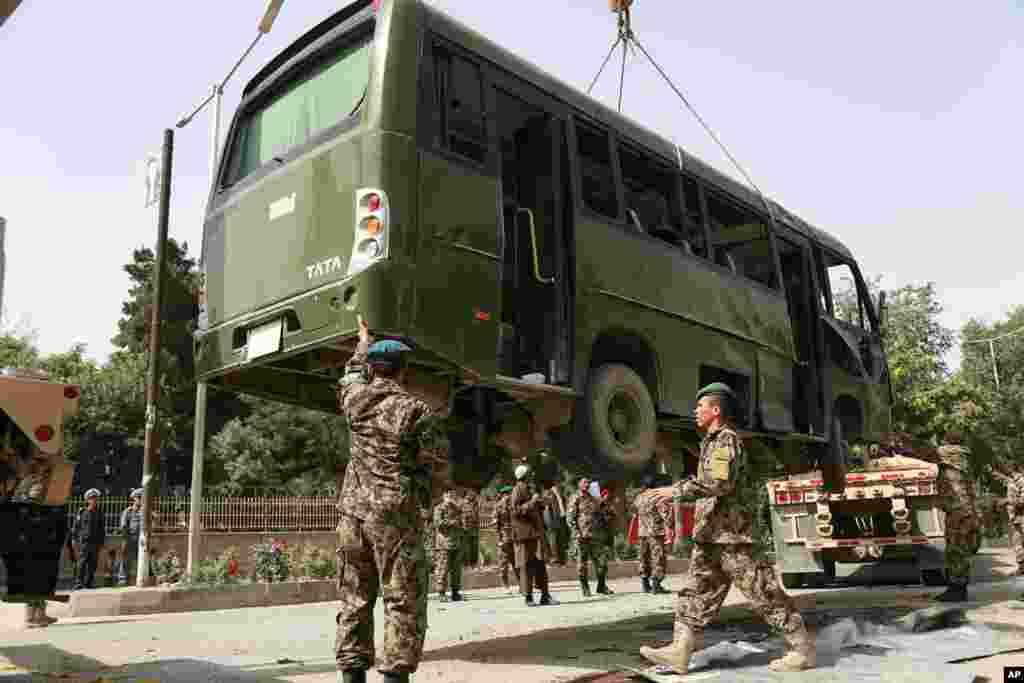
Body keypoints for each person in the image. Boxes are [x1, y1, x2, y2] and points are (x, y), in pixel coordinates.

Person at [640, 383, 814, 674]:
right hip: (711, 535)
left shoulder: (725, 440)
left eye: (700, 406)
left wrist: (675, 491)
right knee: (695, 593)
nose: (695, 411)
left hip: (733, 536)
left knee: (762, 591)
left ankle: (802, 649)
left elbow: (719, 484)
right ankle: (679, 652)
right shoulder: (710, 441)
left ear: (716, 410)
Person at [334, 316, 450, 683]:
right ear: (403, 371)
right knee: (402, 600)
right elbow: (436, 467)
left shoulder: (353, 398)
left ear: (372, 368)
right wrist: (424, 498)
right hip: (395, 516)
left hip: (352, 516)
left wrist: (363, 341)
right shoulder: (416, 411)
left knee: (354, 600)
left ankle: (351, 677)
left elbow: (352, 371)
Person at [928, 431, 982, 602]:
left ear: (949, 441)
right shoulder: (965, 454)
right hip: (965, 509)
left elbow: (924, 451)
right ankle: (957, 588)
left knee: (956, 551)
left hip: (958, 510)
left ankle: (956, 590)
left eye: (945, 438)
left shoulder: (951, 452)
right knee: (959, 551)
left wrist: (899, 439)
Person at [510, 464, 557, 606]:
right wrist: (533, 502)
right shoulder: (517, 490)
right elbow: (515, 511)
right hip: (525, 535)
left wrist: (543, 502)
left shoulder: (529, 488)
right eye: (529, 474)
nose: (532, 475)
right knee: (526, 566)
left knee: (540, 565)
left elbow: (535, 506)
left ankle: (545, 596)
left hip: (536, 534)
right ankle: (528, 597)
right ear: (524, 476)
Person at [567, 477, 616, 597]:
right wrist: (576, 533)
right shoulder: (575, 498)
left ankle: (601, 586)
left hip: (596, 536)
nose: (587, 484)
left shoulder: (594, 498)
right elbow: (570, 518)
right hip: (581, 536)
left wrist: (606, 504)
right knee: (581, 564)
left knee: (602, 562)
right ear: (579, 484)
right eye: (584, 482)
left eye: (588, 482)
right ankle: (585, 587)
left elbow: (606, 511)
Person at [634, 475, 672, 594]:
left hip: (642, 532)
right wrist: (670, 527)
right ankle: (656, 585)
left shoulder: (638, 497)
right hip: (655, 532)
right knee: (658, 558)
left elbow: (635, 511)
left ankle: (645, 584)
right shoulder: (657, 496)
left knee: (643, 557)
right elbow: (665, 514)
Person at [70, 488, 106, 590]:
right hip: (84, 542)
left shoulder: (100, 512)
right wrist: (73, 538)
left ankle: (88, 583)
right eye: (92, 498)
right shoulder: (82, 512)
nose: (94, 500)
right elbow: (76, 526)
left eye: (95, 498)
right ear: (87, 500)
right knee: (82, 563)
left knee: (93, 564)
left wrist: (102, 543)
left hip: (95, 543)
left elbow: (102, 529)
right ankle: (78, 583)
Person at [433, 489, 465, 602]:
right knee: (443, 569)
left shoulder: (457, 509)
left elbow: (462, 522)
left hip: (456, 543)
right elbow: (437, 523)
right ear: (443, 496)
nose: (450, 496)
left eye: (452, 494)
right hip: (444, 544)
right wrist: (451, 523)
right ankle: (441, 593)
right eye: (448, 494)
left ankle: (455, 593)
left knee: (456, 571)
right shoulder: (439, 508)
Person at [493, 484, 518, 593]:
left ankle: (522, 584)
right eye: (506, 495)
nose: (508, 497)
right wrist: (499, 540)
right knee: (503, 563)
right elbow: (495, 524)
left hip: (515, 536)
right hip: (504, 537)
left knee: (517, 562)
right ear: (503, 495)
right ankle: (505, 586)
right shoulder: (498, 506)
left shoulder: (514, 505)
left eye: (510, 495)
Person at [117, 488, 144, 585]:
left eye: (142, 497)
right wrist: (124, 540)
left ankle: (140, 578)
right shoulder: (128, 512)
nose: (141, 500)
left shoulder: (144, 512)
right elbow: (123, 527)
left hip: (141, 540)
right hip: (130, 538)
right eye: (139, 498)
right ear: (134, 499)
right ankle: (122, 578)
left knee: (141, 560)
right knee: (125, 560)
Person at [1007, 470, 1024, 578]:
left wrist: (1006, 501)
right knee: (1017, 544)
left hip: (1022, 517)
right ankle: (1022, 567)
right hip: (1016, 518)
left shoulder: (1021, 480)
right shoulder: (1010, 480)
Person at [459, 489, 480, 570]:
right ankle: (465, 564)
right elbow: (459, 515)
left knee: (474, 547)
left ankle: (473, 564)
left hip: (474, 529)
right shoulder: (462, 503)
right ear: (468, 495)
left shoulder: (475, 503)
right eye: (471, 494)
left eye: (474, 494)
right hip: (465, 529)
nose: (473, 495)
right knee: (465, 547)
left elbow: (476, 515)